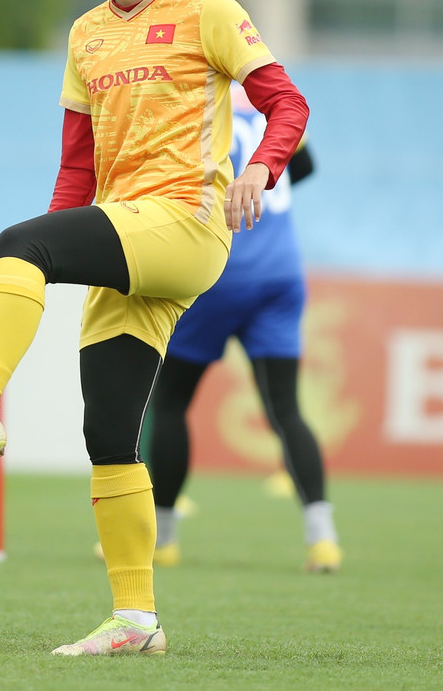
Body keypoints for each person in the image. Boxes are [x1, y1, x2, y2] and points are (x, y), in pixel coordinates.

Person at [0, 0, 309, 655]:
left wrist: (260, 167)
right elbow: (77, 171)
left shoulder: (206, 10)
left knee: (17, 243)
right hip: (124, 234)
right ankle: (136, 621)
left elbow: (287, 101)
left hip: (187, 227)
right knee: (111, 433)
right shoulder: (86, 36)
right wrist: (56, 258)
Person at [144, 85, 342, 573]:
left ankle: (163, 540)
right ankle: (323, 539)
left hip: (217, 272)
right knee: (286, 411)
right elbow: (308, 164)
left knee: (169, 403)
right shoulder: (263, 101)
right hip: (280, 273)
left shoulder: (191, 96)